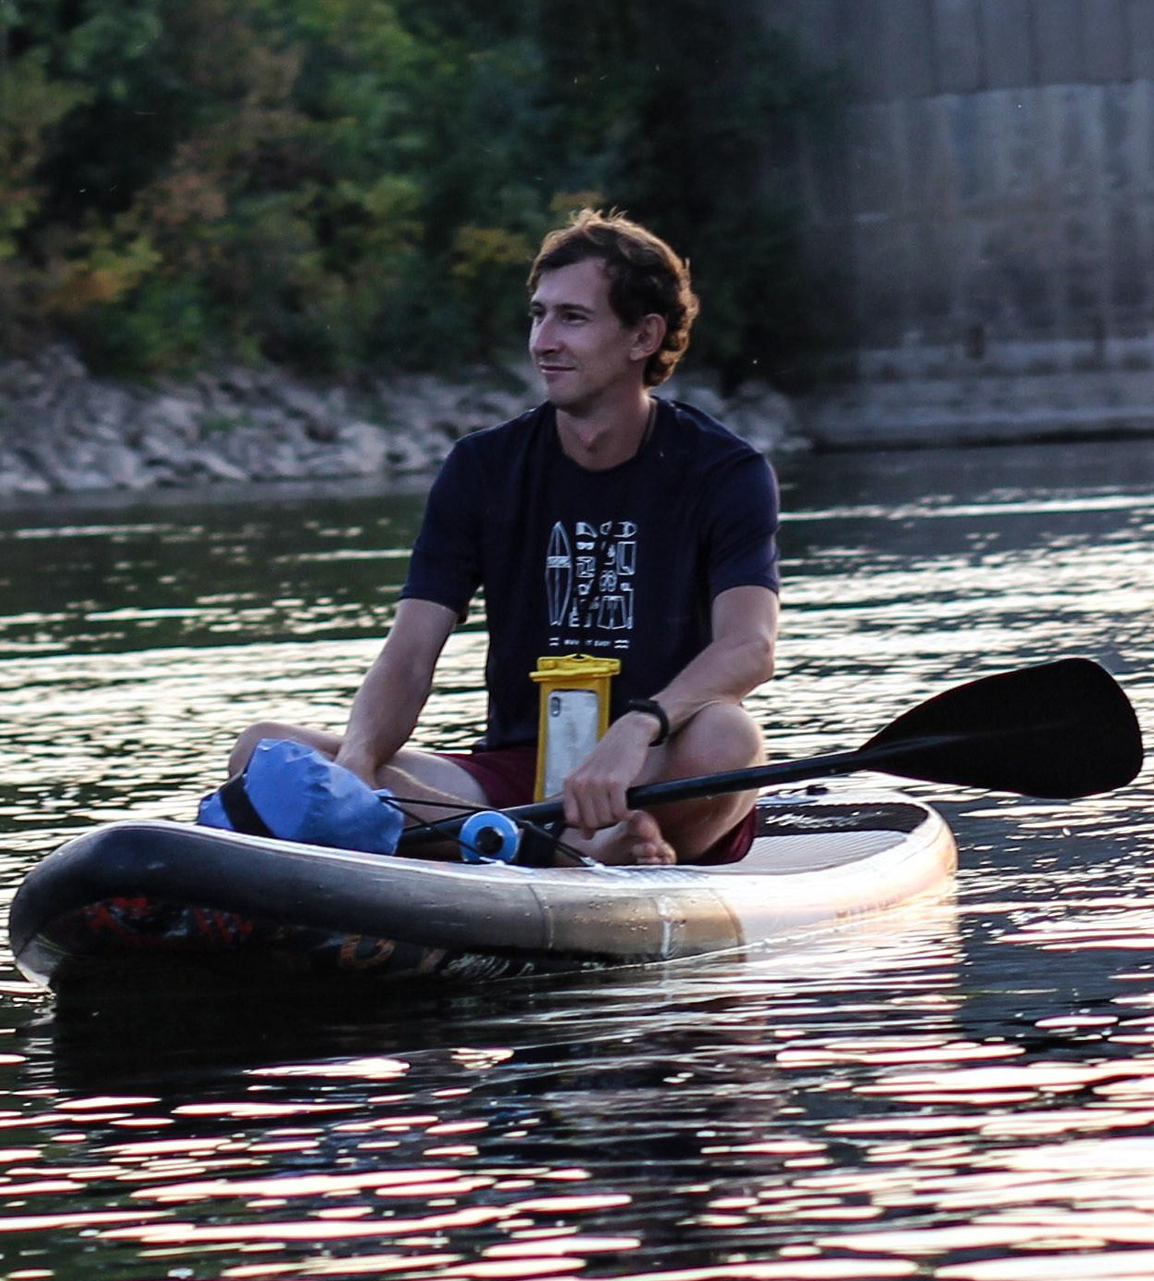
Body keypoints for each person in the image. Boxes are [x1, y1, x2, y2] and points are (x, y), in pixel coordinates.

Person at [228, 211, 779, 866]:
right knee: (262, 753)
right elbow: (409, 656)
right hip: (521, 776)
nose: (544, 340)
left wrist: (639, 726)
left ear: (643, 336)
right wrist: (356, 768)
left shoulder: (725, 471)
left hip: (658, 765)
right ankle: (557, 848)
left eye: (573, 318)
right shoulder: (482, 468)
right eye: (538, 315)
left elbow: (749, 646)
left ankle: (597, 841)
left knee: (730, 736)